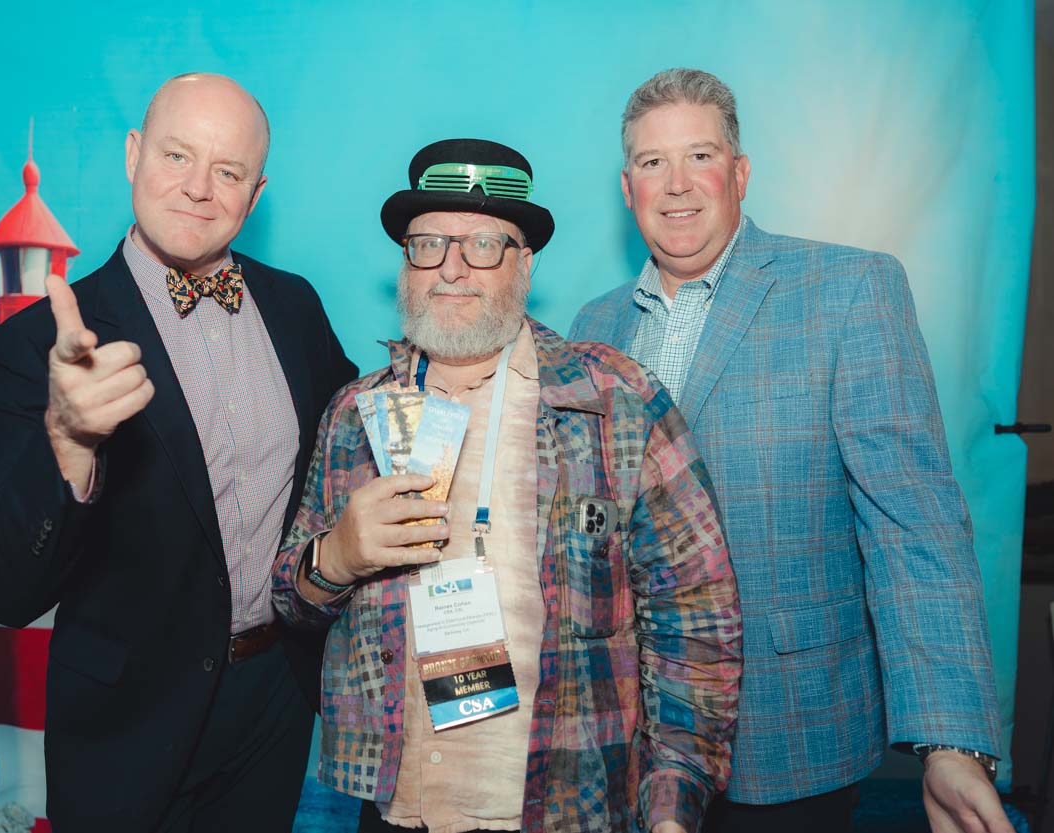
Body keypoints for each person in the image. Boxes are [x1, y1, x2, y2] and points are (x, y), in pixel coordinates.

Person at [571, 68, 1011, 833]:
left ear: (740, 173)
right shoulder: (593, 327)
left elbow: (914, 527)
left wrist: (951, 740)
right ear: (627, 186)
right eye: (652, 162)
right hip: (622, 742)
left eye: (700, 156)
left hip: (787, 738)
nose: (677, 184)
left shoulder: (850, 290)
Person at [271, 138, 742, 833]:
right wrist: (333, 558)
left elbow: (694, 613)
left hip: (567, 807)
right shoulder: (355, 413)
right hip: (397, 810)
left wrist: (673, 805)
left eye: (485, 245)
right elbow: (289, 599)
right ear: (405, 262)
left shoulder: (612, 400)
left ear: (525, 263)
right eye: (428, 243)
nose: (451, 268)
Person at [0, 73, 357, 833]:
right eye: (177, 155)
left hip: (274, 702)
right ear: (133, 155)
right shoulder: (38, 341)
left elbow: (354, 438)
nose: (199, 188)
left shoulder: (295, 306)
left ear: (255, 193)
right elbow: (1, 589)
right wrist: (70, 442)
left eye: (228, 171)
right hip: (125, 722)